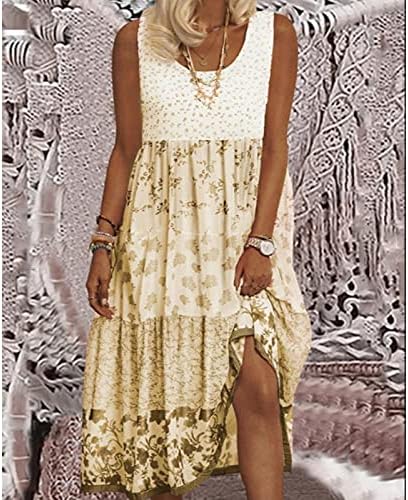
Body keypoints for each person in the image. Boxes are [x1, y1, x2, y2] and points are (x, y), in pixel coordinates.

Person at [80, 1, 313, 499]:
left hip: (241, 240)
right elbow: (126, 151)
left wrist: (261, 240)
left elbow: (275, 147)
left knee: (258, 385)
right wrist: (103, 241)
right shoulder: (135, 40)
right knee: (166, 394)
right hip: (157, 247)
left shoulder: (274, 34)